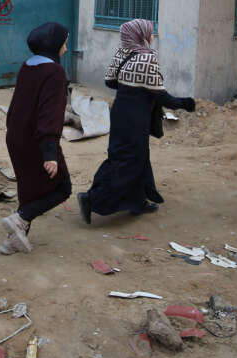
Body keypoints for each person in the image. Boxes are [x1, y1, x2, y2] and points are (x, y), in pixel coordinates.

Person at [76, 19, 195, 224]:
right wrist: (186, 103)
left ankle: (138, 202)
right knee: (128, 162)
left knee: (128, 157)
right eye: (150, 32)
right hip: (135, 119)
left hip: (120, 112)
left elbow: (109, 81)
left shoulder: (123, 52)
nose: (152, 35)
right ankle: (92, 199)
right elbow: (162, 96)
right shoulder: (147, 58)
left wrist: (129, 85)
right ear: (141, 35)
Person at [0, 21, 72, 254]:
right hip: (37, 140)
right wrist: (49, 152)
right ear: (54, 45)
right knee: (62, 187)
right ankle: (20, 219)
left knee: (29, 189)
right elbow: (49, 112)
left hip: (17, 137)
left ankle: (11, 242)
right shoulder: (54, 72)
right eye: (64, 43)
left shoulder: (28, 66)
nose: (66, 49)